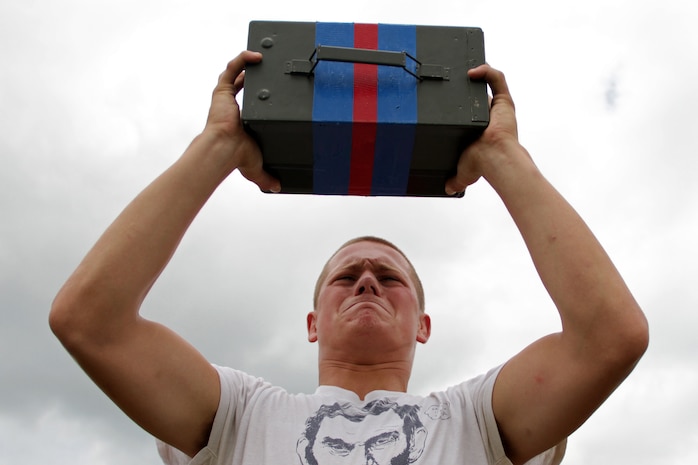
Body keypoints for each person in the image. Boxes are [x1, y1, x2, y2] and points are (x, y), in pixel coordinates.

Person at [49, 50, 649, 465]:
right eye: (346, 276)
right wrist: (218, 146)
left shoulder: (476, 422)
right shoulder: (240, 417)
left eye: (390, 277)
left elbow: (611, 338)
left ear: (424, 324)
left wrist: (502, 156)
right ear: (312, 324)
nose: (367, 280)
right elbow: (88, 322)